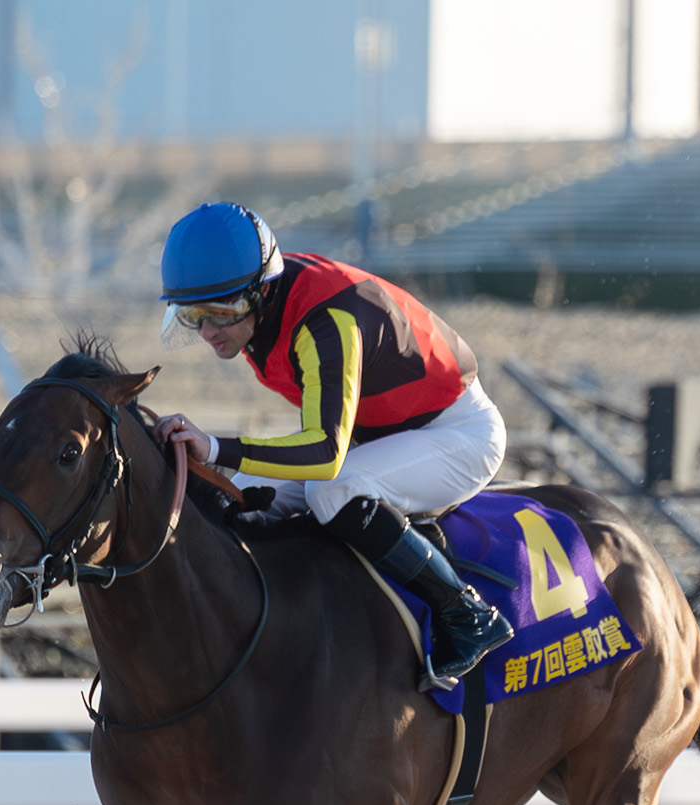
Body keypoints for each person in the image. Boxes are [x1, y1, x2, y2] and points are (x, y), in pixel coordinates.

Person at [152, 201, 513, 685]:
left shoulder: (326, 322)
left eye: (223, 311)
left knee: (332, 490)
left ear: (263, 290)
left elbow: (324, 454)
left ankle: (467, 614)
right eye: (194, 314)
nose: (209, 331)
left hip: (458, 434)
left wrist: (216, 448)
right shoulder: (265, 306)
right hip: (385, 438)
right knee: (237, 494)